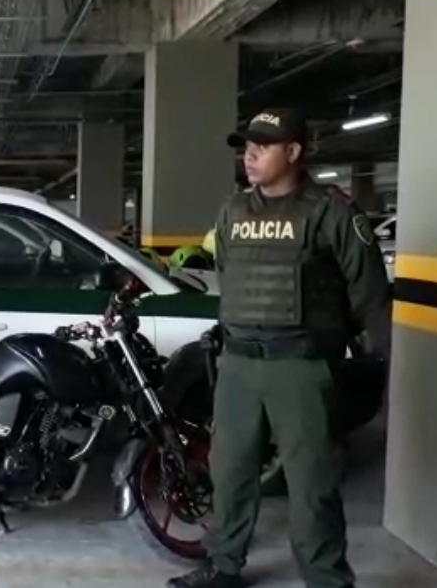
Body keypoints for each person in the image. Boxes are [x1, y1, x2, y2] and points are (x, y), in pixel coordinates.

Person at [167, 108, 391, 588]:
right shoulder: (233, 211)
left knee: (312, 485)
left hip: (301, 368)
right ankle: (224, 566)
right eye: (247, 147)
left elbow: (369, 294)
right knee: (229, 473)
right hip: (238, 365)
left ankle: (326, 578)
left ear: (293, 151)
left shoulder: (332, 211)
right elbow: (228, 275)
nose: (249, 156)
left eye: (262, 147)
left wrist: (349, 350)